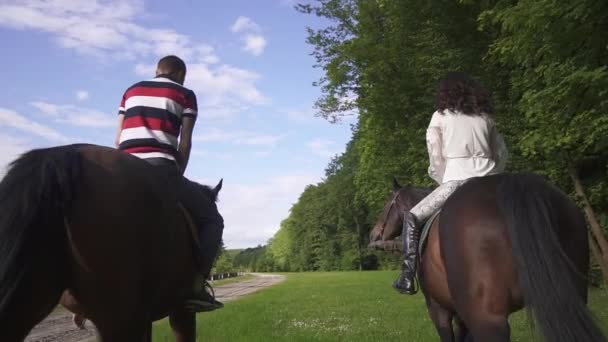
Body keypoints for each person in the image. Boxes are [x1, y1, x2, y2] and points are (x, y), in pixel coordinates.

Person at [115, 55, 224, 312]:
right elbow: (184, 142)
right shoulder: (185, 94)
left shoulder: (130, 91)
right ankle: (196, 286)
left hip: (122, 167)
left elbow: (118, 137)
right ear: (181, 76)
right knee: (213, 220)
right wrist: (178, 172)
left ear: (156, 71)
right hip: (160, 169)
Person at [393, 72, 508, 295]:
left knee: (412, 217)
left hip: (456, 180)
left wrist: (441, 179)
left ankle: (407, 277)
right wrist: (493, 174)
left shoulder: (439, 117)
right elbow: (501, 153)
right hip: (492, 183)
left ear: (445, 93)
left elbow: (435, 155)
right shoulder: (486, 118)